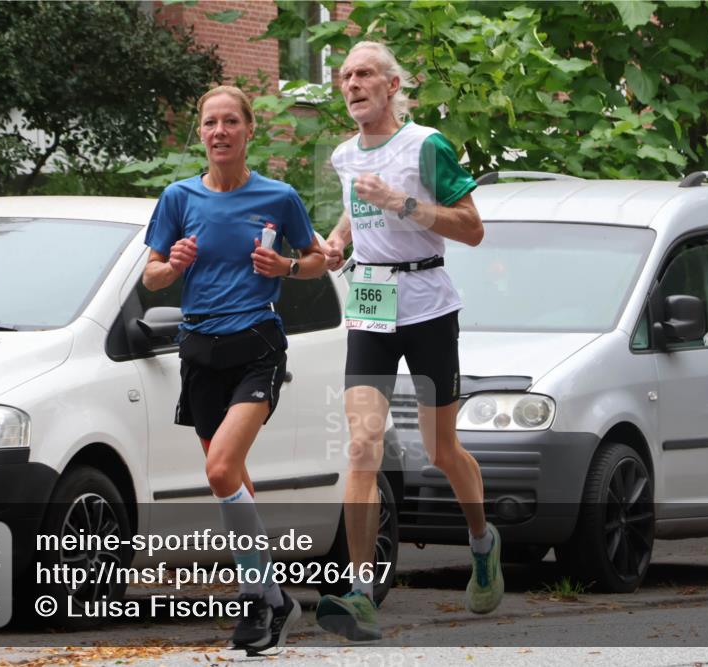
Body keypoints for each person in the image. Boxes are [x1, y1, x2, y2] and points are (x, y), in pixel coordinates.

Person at [315, 41, 503, 641]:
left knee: (441, 449)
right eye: (345, 77)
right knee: (363, 446)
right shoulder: (345, 155)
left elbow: (471, 228)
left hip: (426, 304)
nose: (352, 84)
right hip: (370, 304)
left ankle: (481, 540)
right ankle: (362, 589)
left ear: (392, 86)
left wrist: (403, 204)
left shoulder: (427, 145)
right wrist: (336, 240)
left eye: (364, 74)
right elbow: (354, 211)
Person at [142, 85, 326, 654]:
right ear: (199, 133)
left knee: (221, 469)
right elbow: (150, 277)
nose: (218, 131)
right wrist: (170, 265)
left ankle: (256, 601)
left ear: (249, 131)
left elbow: (318, 262)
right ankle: (274, 600)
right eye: (208, 123)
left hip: (257, 344)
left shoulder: (279, 197)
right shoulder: (177, 198)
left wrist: (287, 264)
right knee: (233, 478)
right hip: (199, 349)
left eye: (229, 122)